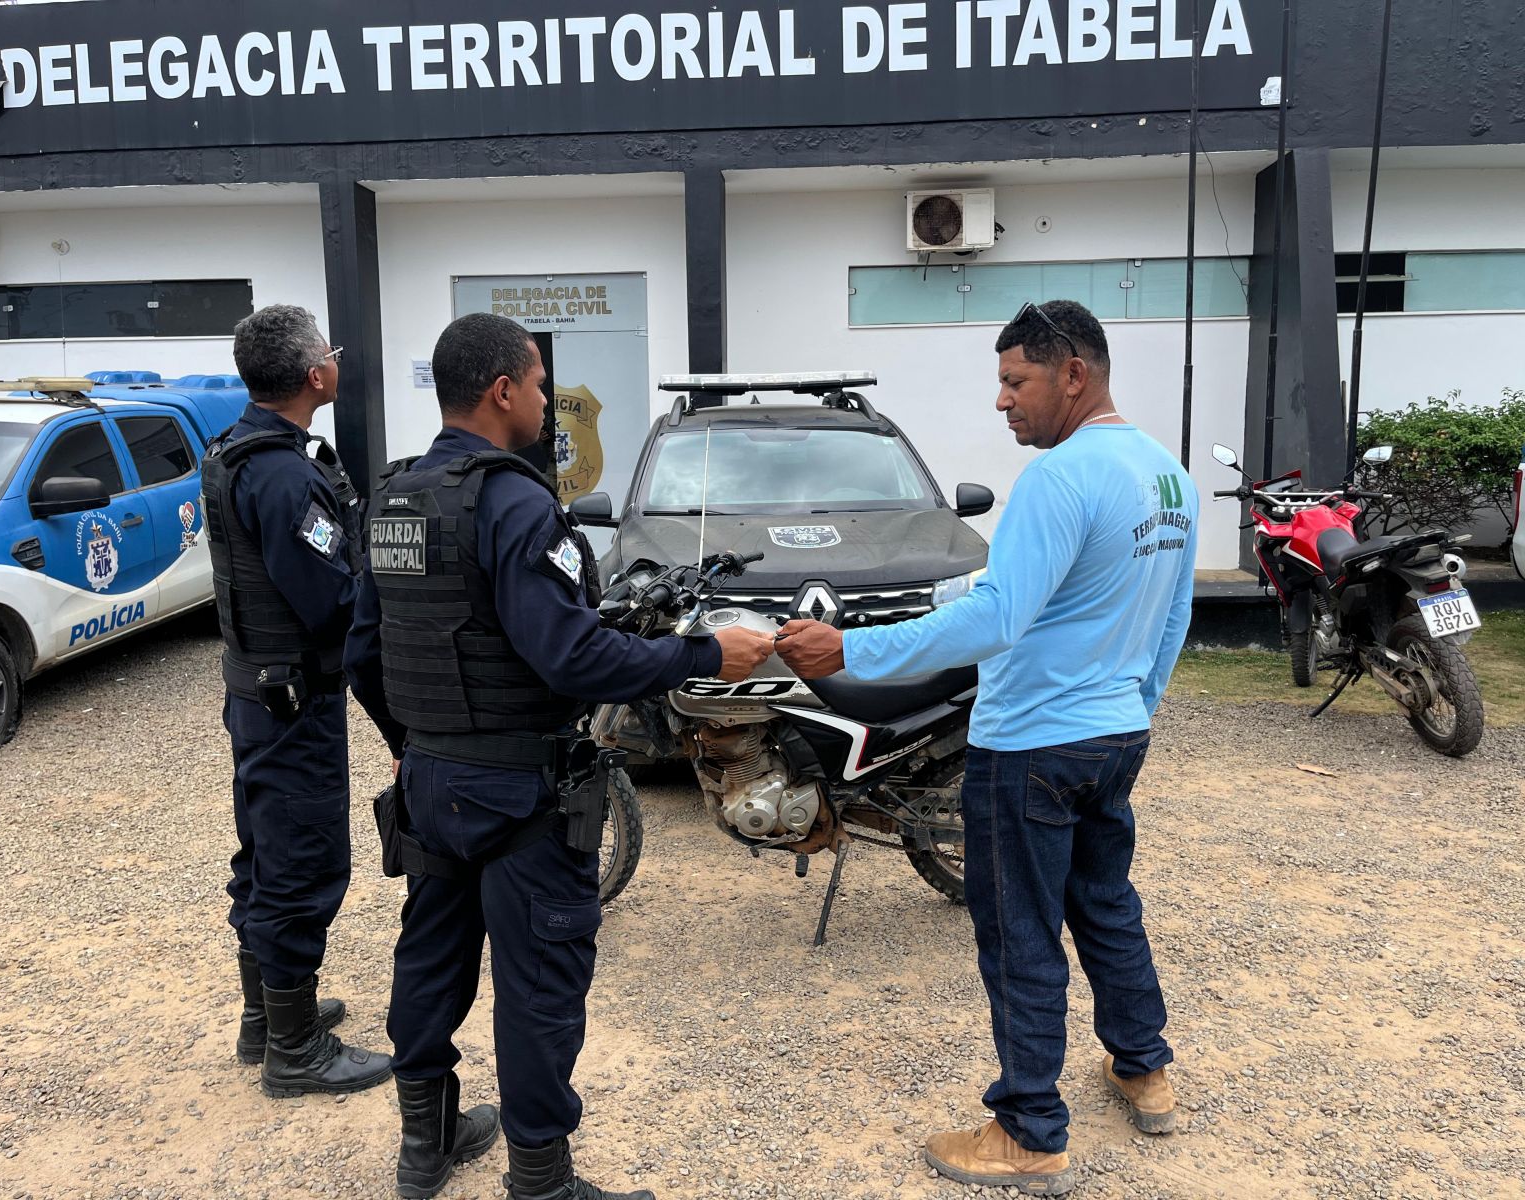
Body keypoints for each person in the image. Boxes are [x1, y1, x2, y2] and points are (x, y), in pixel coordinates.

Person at [345, 312, 773, 1200]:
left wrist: (410, 745)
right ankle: (541, 1181)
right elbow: (571, 656)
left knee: (430, 956)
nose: (546, 402)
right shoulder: (513, 502)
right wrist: (704, 657)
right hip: (519, 791)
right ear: (504, 390)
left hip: (429, 780)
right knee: (539, 984)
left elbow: (360, 651)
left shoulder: (392, 496)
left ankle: (424, 1149)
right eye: (540, 384)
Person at [776, 300, 1197, 1196]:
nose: (1002, 402)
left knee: (1019, 935)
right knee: (1105, 903)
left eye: (1016, 382)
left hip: (1032, 746)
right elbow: (1171, 616)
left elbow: (1000, 619)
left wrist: (849, 648)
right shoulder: (1167, 475)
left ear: (1072, 374)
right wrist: (1135, 707)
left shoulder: (1059, 477)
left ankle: (1030, 1130)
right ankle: (1142, 1066)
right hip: (1113, 732)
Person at [203, 304, 391, 1098]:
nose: (337, 362)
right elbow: (329, 601)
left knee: (267, 851)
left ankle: (268, 1015)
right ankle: (294, 1050)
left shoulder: (239, 450)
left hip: (257, 691)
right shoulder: (282, 474)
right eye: (333, 352)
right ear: (316, 374)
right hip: (291, 702)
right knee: (300, 862)